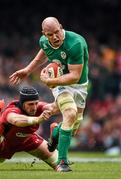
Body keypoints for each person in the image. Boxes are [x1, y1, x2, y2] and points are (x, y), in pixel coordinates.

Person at [9, 17, 89, 172]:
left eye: (57, 32)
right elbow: (43, 53)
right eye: (50, 34)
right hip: (60, 85)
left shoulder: (75, 44)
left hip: (78, 85)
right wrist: (27, 70)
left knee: (73, 127)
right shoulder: (44, 41)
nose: (55, 37)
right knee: (70, 113)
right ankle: (62, 162)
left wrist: (50, 82)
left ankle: (56, 131)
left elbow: (74, 76)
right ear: (44, 34)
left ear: (61, 27)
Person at [0, 86, 60, 171]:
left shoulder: (39, 107)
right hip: (5, 143)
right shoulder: (11, 111)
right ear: (22, 104)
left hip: (27, 138)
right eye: (31, 104)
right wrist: (37, 119)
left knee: (59, 162)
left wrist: (64, 97)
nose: (34, 107)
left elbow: (54, 108)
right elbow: (16, 120)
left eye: (36, 103)